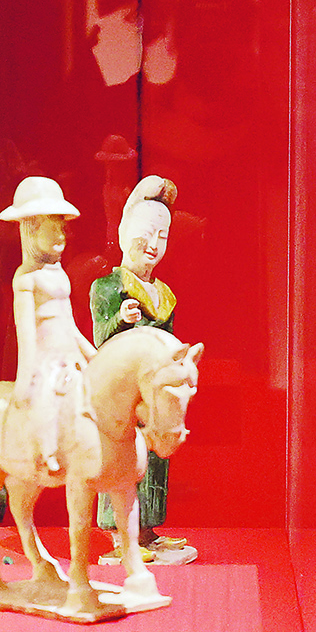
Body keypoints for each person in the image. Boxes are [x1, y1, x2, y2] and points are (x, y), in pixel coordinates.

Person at [91, 175, 191, 561]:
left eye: (162, 236)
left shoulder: (164, 295)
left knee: (154, 461)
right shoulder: (108, 288)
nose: (153, 244)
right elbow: (101, 339)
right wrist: (120, 319)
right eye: (146, 233)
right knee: (122, 459)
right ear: (124, 232)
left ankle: (147, 532)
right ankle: (121, 537)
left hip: (153, 395)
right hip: (121, 396)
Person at [0, 175, 95, 476]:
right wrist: (25, 376)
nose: (61, 235)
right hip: (46, 360)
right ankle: (47, 450)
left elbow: (69, 324)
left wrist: (93, 354)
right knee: (46, 400)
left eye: (61, 228)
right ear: (31, 229)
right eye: (52, 228)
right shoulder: (26, 278)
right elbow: (26, 333)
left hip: (70, 355)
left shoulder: (59, 274)